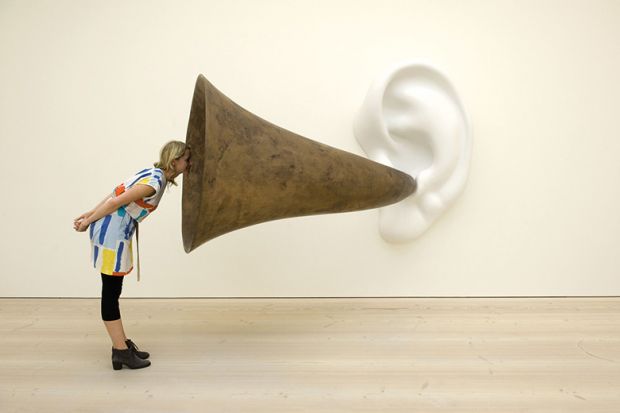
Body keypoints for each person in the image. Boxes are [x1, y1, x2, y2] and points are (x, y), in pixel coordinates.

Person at [74, 140, 191, 370]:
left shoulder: (153, 173)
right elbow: (117, 200)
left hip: (113, 234)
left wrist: (89, 214)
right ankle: (120, 351)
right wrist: (88, 220)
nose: (189, 164)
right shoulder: (154, 183)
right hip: (111, 236)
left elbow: (114, 193)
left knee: (112, 290)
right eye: (187, 159)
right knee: (110, 292)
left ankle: (122, 344)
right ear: (175, 160)